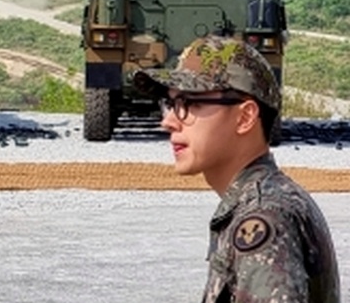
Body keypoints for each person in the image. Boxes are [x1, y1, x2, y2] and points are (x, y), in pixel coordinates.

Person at [134, 36, 340, 302]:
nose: (169, 121)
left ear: (245, 118)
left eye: (191, 103)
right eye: (170, 104)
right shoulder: (262, 200)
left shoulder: (265, 216)